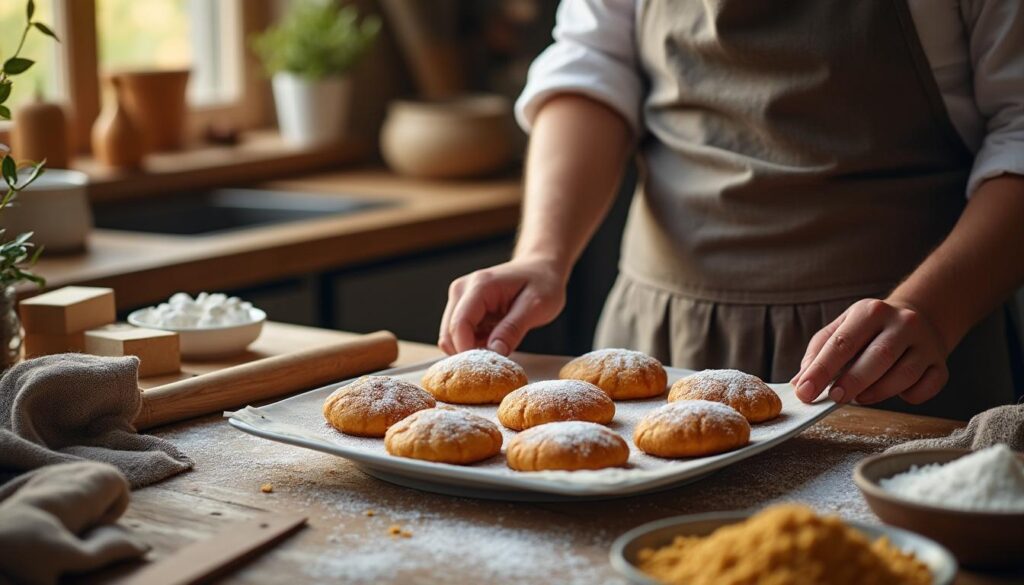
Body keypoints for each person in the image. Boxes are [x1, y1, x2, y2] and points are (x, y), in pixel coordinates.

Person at [438, 0, 1024, 419]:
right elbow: (593, 64)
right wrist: (543, 255)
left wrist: (933, 308)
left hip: (890, 358)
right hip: (658, 335)